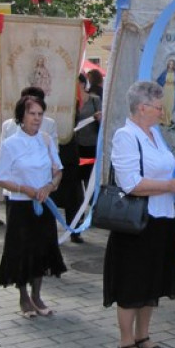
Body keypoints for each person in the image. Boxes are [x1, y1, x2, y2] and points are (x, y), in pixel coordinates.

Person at [103, 81, 175, 348]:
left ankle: (143, 336)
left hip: (162, 219)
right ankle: (125, 342)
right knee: (132, 284)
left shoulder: (154, 134)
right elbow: (131, 184)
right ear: (142, 108)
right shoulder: (126, 136)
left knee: (152, 281)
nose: (162, 111)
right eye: (158, 107)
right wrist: (169, 185)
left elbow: (165, 169)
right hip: (138, 223)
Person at [0, 95, 66, 317]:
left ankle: (37, 294)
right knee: (22, 251)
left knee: (42, 249)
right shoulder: (10, 144)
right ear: (21, 116)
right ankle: (24, 296)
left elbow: (58, 170)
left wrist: (50, 186)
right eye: (32, 114)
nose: (36, 119)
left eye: (39, 114)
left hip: (43, 203)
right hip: (21, 206)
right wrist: (23, 189)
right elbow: (1, 178)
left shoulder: (45, 139)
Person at [71, 72, 103, 242]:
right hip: (75, 148)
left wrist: (99, 118)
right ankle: (77, 221)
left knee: (90, 183)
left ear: (84, 84)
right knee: (76, 189)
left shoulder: (94, 100)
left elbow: (102, 122)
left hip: (91, 147)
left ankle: (93, 214)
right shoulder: (71, 102)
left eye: (78, 83)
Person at [154, 58, 175, 127]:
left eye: (172, 64)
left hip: (172, 90)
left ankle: (168, 121)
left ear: (174, 65)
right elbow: (159, 80)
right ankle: (162, 120)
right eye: (169, 64)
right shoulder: (165, 72)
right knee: (164, 105)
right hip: (165, 89)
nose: (170, 65)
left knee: (170, 105)